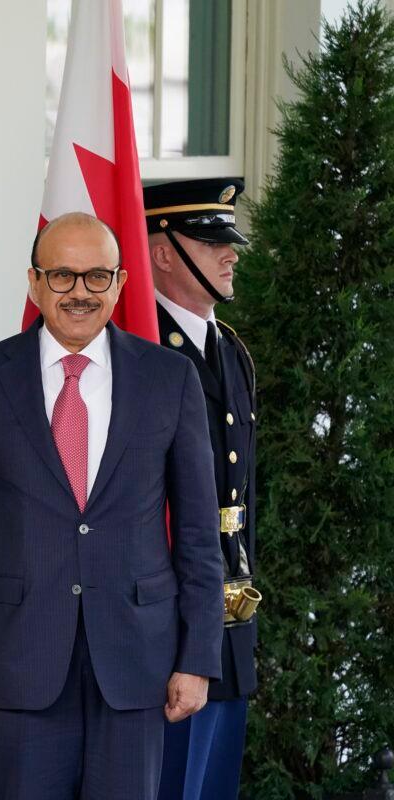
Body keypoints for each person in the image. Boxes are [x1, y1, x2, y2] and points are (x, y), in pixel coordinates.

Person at [0, 212, 223, 798]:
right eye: (62, 276)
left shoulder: (171, 379)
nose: (80, 292)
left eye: (96, 276)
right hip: (22, 658)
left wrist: (198, 658)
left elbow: (197, 534)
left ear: (120, 284)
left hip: (138, 662)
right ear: (34, 283)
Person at [147, 179, 259, 800]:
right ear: (163, 251)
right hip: (166, 631)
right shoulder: (140, 353)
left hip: (229, 625)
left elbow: (242, 498)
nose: (231, 252)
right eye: (212, 241)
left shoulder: (231, 350)